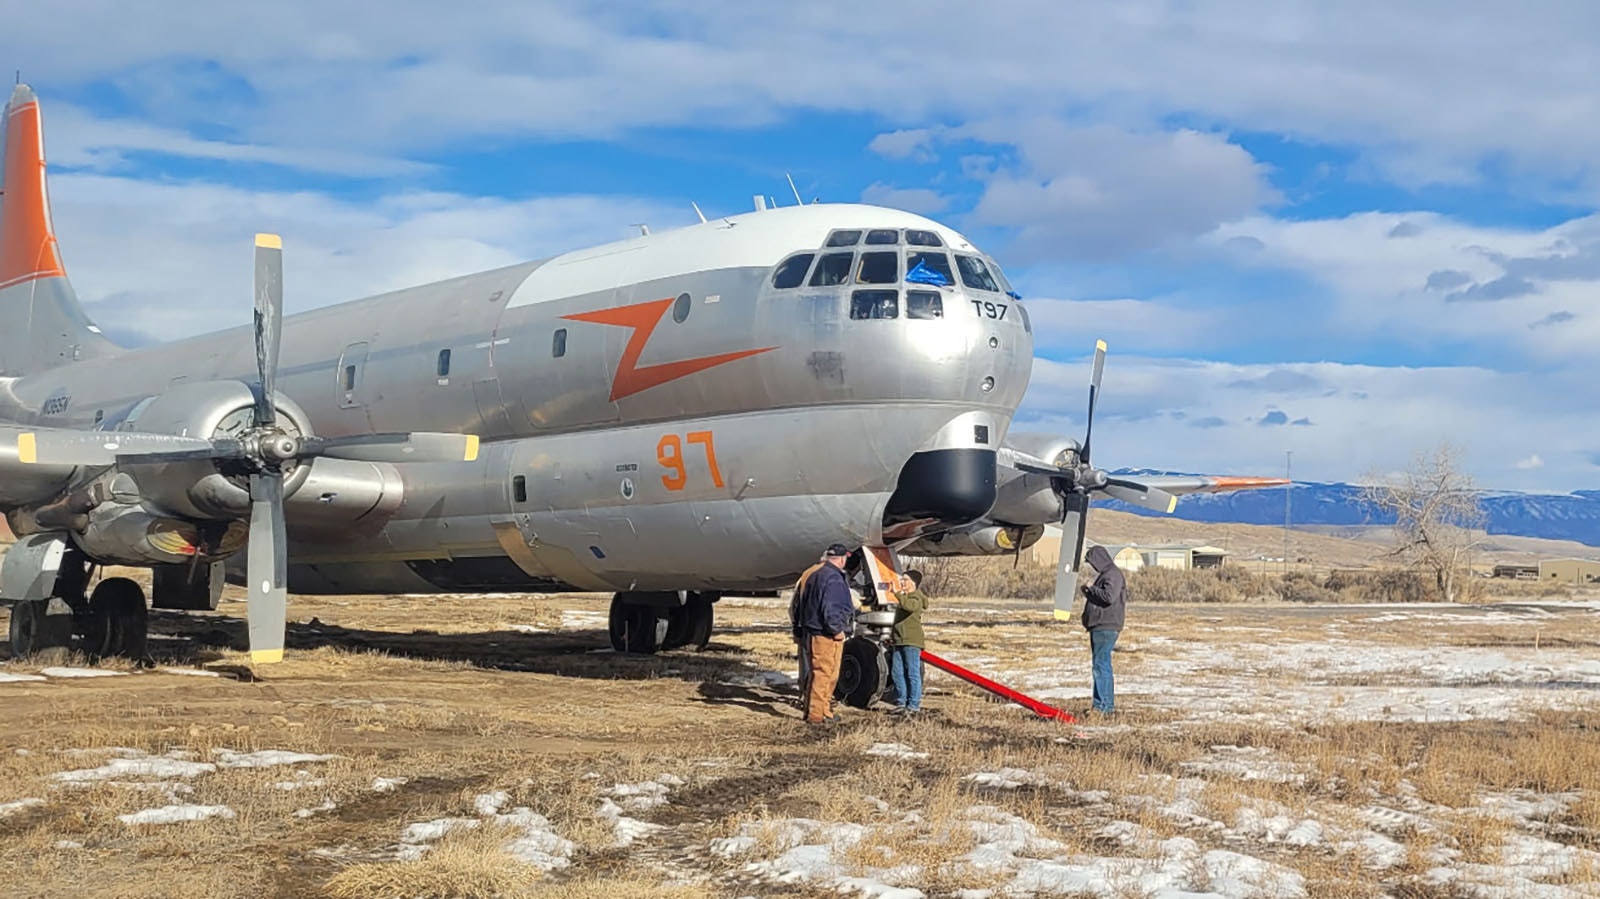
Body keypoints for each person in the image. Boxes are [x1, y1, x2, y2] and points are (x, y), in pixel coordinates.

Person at [793, 542, 855, 724]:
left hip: (812, 630)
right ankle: (816, 716)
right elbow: (831, 608)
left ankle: (822, 710)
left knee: (820, 673)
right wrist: (837, 630)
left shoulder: (814, 575)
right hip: (826, 633)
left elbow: (800, 603)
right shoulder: (833, 578)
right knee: (824, 673)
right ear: (842, 559)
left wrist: (798, 628)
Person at [1079, 545, 1126, 715]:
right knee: (1101, 664)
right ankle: (1103, 705)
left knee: (1101, 666)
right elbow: (1102, 597)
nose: (1092, 566)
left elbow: (1109, 597)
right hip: (1100, 625)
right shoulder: (1108, 574)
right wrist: (1088, 592)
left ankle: (1103, 707)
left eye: (1092, 562)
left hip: (1105, 626)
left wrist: (1092, 587)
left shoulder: (1112, 574)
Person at [789, 555, 828, 709]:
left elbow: (795, 605)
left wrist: (796, 626)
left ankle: (807, 696)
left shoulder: (806, 576)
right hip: (817, 629)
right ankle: (813, 700)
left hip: (806, 627)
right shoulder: (823, 577)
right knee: (817, 666)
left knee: (808, 663)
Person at [888, 570, 928, 714]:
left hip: (911, 641)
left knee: (912, 672)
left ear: (913, 583)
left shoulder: (916, 598)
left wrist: (897, 593)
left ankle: (913, 705)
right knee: (897, 672)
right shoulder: (905, 597)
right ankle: (901, 701)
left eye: (905, 579)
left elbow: (909, 607)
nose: (902, 582)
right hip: (899, 640)